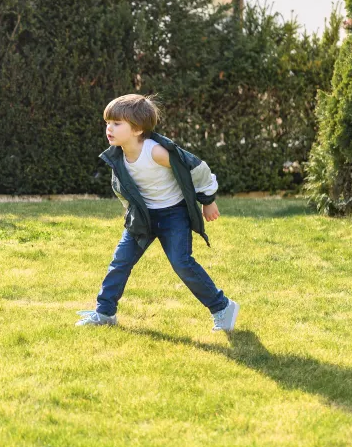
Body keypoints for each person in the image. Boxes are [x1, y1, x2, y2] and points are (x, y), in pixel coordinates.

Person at [76, 94, 240, 332]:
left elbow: (196, 168)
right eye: (107, 123)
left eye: (116, 123)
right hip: (144, 217)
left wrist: (207, 200)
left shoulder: (156, 152)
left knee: (182, 263)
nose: (109, 129)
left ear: (137, 129)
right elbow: (123, 190)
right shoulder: (118, 155)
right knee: (120, 262)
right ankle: (105, 313)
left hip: (174, 214)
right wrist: (130, 213)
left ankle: (223, 307)